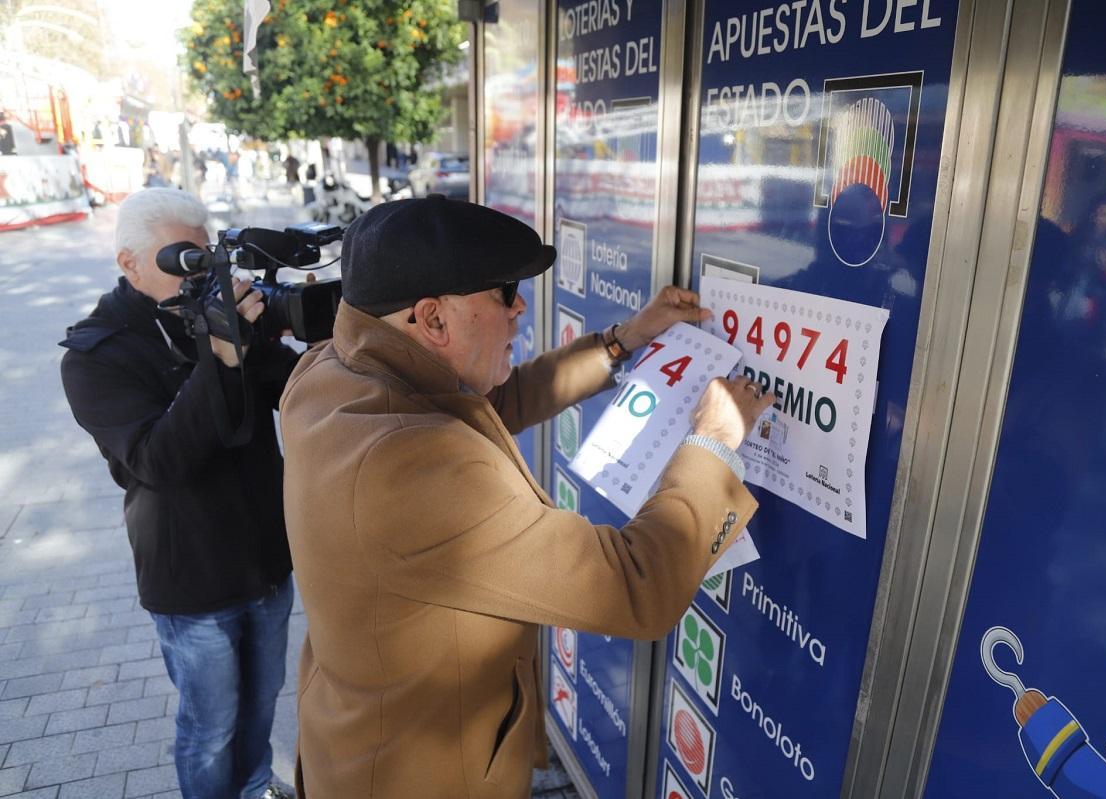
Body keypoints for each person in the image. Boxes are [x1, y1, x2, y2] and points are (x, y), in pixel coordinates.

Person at [279, 196, 776, 797]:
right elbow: (636, 585)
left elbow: (488, 407)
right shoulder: (411, 465)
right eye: (503, 292)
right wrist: (715, 443)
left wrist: (622, 340)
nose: (519, 308)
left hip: (356, 742)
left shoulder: (333, 372)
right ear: (432, 319)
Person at [59, 188, 299, 799]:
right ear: (129, 263)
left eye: (205, 256)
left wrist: (292, 328)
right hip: (190, 575)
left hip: (266, 555)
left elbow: (293, 391)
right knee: (211, 726)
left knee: (263, 704)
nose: (201, 275)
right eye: (182, 260)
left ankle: (254, 789)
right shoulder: (96, 354)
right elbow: (157, 460)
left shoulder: (223, 316)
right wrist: (217, 358)